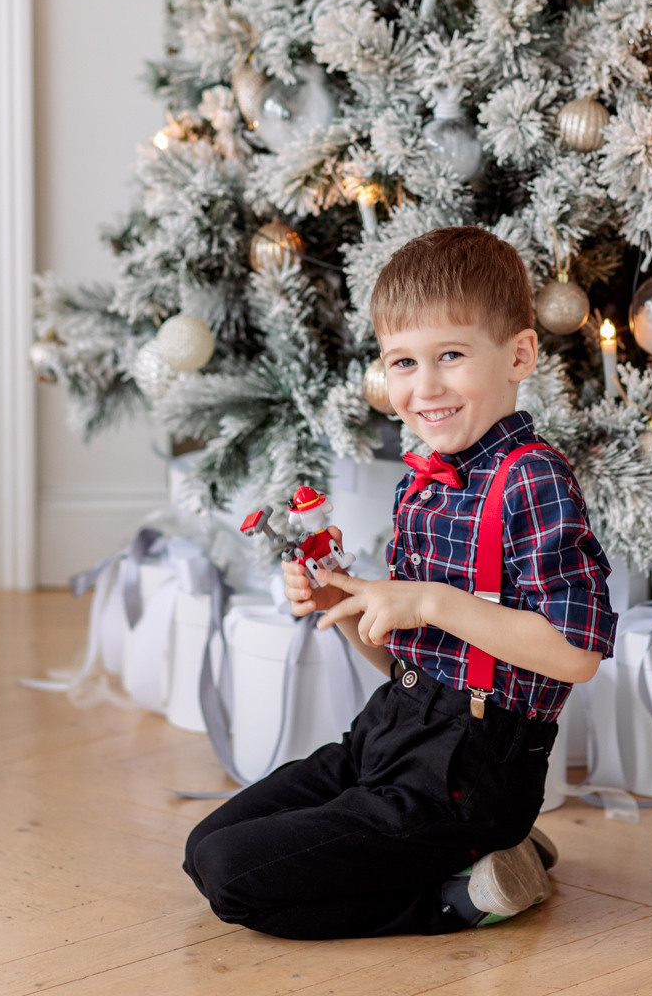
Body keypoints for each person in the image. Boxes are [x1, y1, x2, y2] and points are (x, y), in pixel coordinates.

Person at [184, 225, 616, 939]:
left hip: (469, 772)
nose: (425, 387)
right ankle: (492, 855)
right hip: (389, 734)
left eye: (450, 356)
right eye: (403, 363)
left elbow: (575, 653)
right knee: (205, 849)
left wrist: (423, 599)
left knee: (235, 879)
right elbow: (408, 662)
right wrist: (350, 604)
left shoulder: (530, 478)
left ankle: (462, 895)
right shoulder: (425, 485)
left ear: (518, 354)